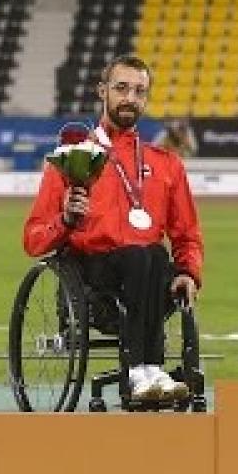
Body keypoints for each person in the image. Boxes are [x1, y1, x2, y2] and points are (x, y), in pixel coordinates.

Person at [23, 55, 204, 401]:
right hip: (94, 280)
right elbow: (33, 238)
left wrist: (189, 273)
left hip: (151, 277)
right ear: (102, 91)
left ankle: (148, 371)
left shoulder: (166, 164)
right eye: (121, 89)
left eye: (139, 91)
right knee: (142, 255)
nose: (130, 98)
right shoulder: (73, 156)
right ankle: (142, 369)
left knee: (151, 254)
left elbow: (187, 234)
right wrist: (66, 220)